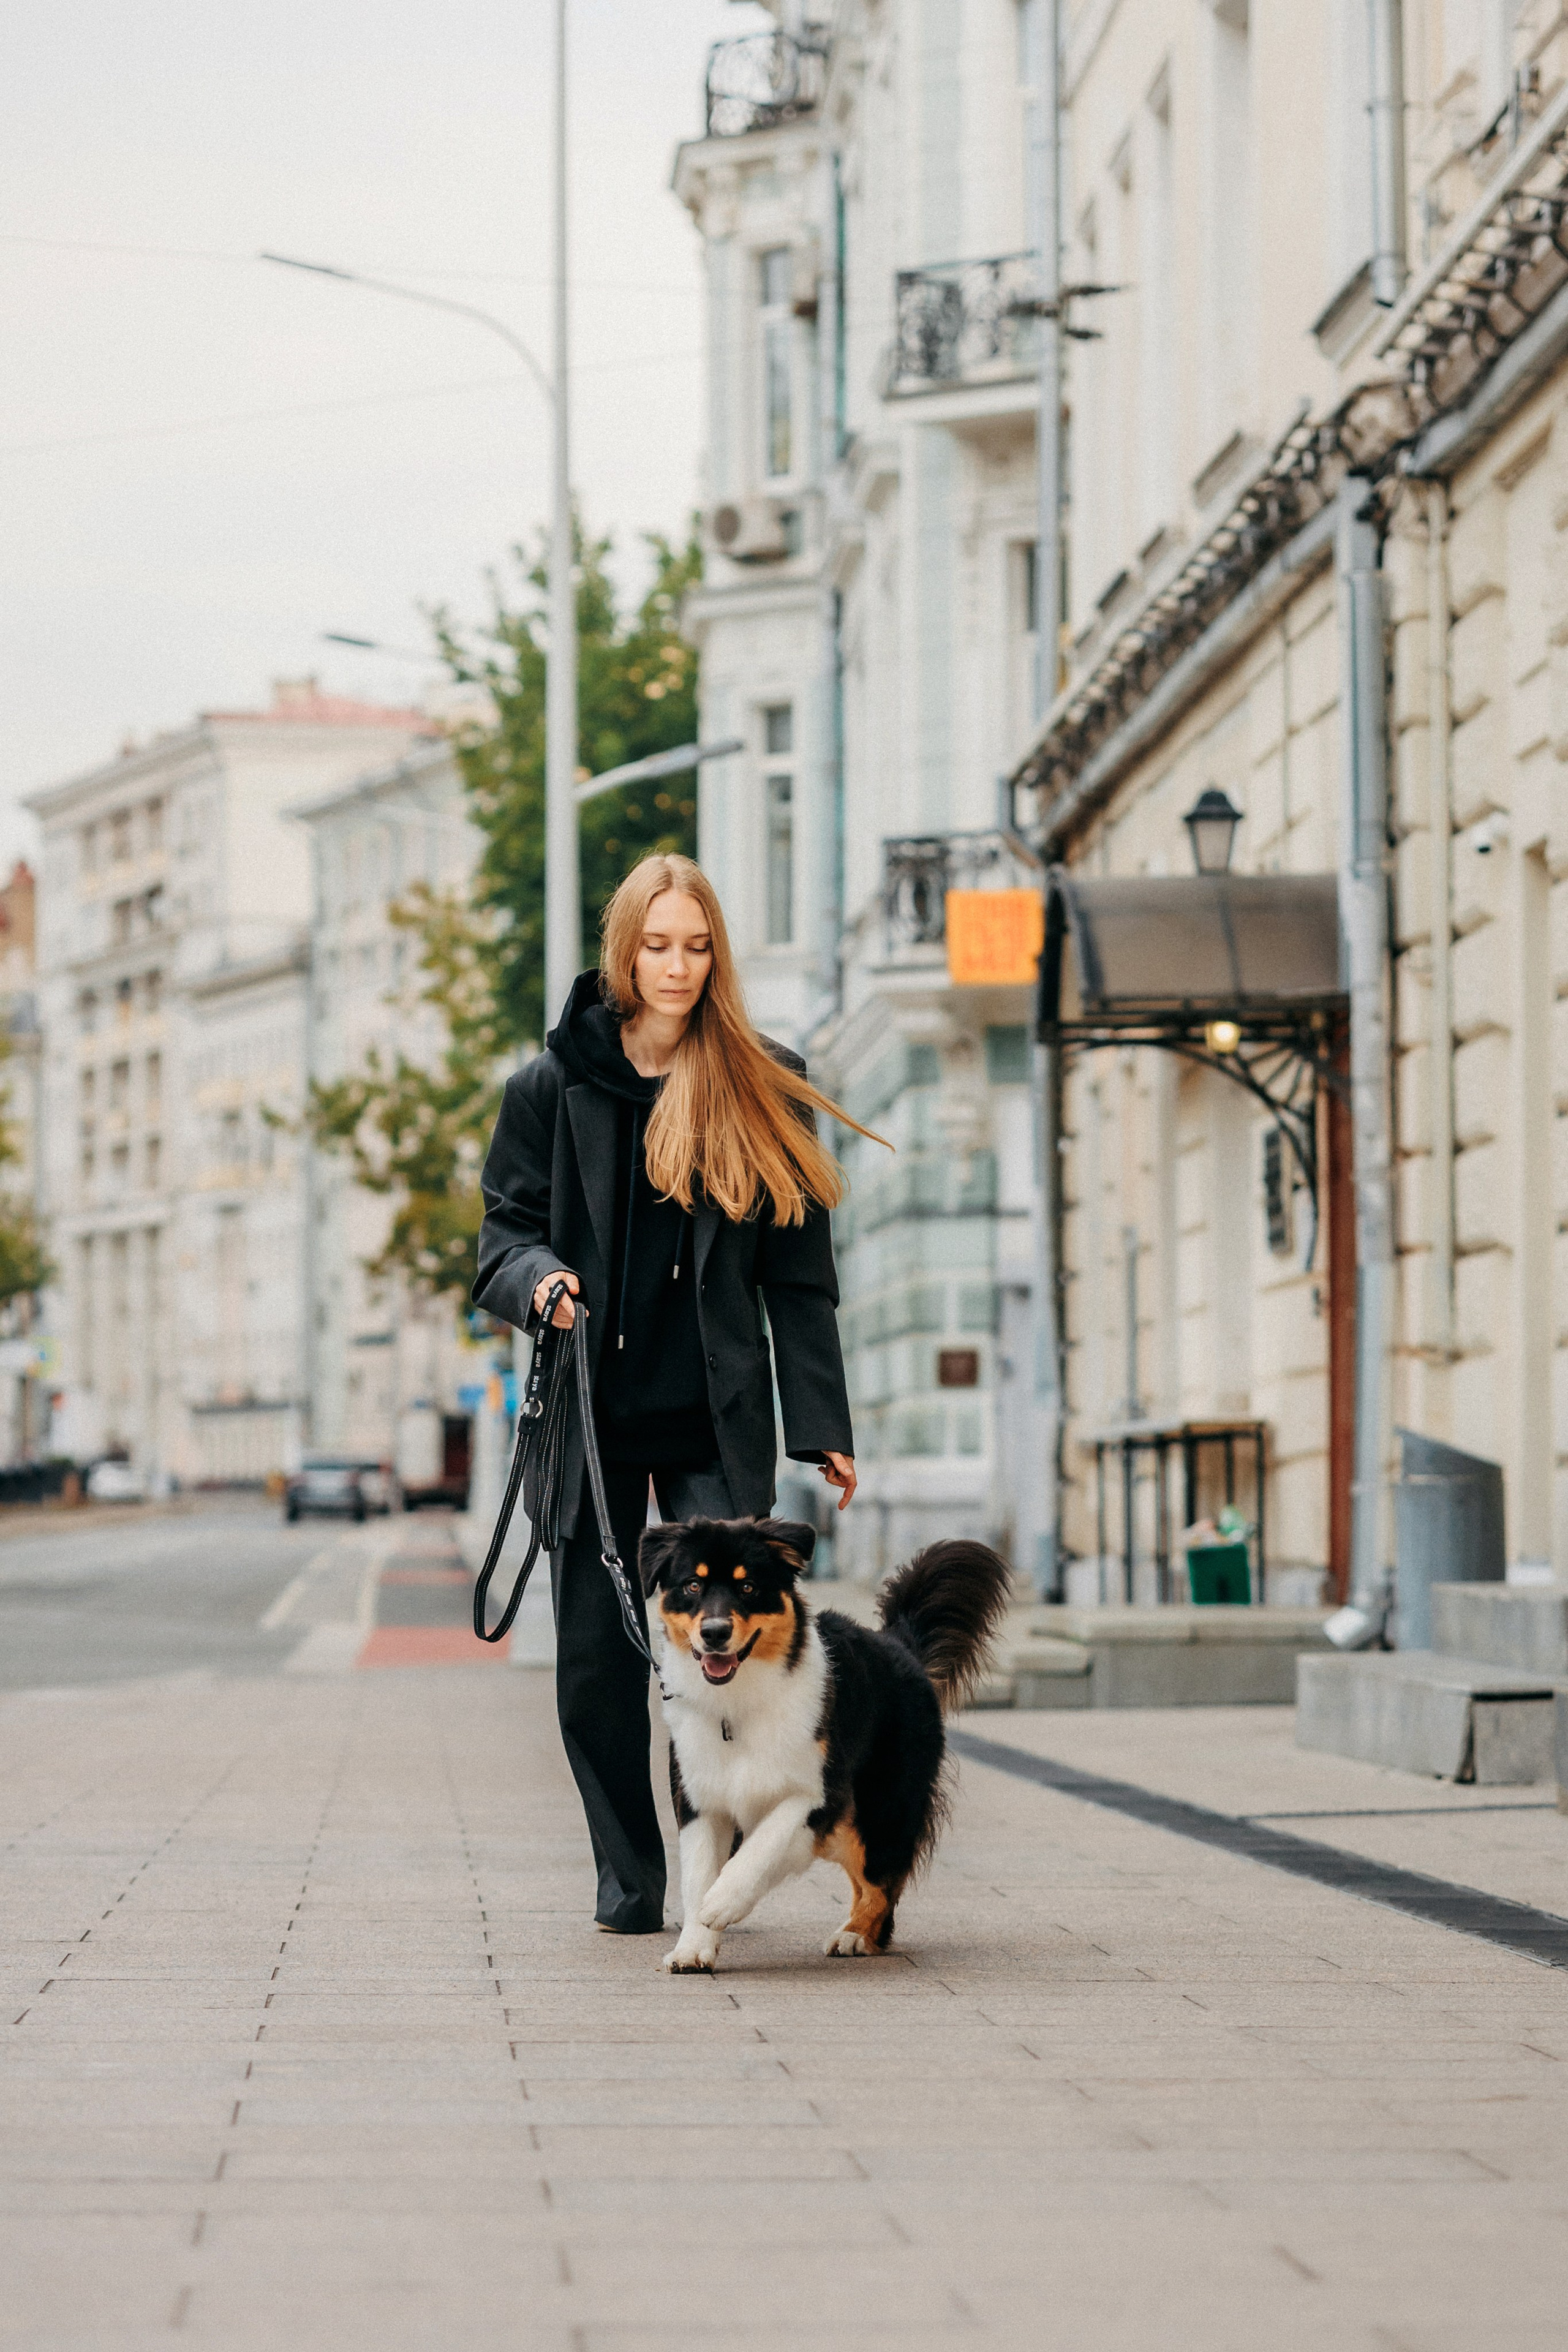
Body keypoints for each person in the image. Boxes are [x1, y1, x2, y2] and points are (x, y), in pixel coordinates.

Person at [473, 852, 881, 1934]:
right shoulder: (551, 1088)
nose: (677, 966)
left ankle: (715, 1859)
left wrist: (822, 1427)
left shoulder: (759, 1076)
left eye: (697, 946)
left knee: (723, 1649)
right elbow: (500, 1236)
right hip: (592, 1413)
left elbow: (798, 1278)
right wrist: (539, 1280)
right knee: (600, 1667)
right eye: (658, 945)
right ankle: (630, 1876)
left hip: (715, 1410)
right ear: (624, 950)